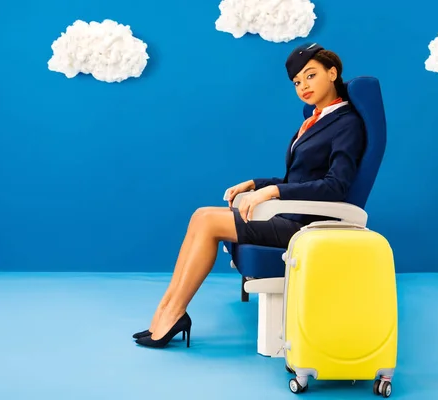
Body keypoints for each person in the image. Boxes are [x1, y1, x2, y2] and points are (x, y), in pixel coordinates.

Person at [133, 43, 367, 348]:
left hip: (306, 226)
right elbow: (299, 178)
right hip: (291, 215)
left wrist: (274, 191)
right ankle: (164, 312)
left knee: (206, 221)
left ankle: (174, 314)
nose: (303, 86)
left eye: (310, 76)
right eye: (297, 82)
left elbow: (336, 186)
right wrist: (255, 183)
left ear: (332, 73)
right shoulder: (316, 120)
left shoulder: (346, 122)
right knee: (200, 215)